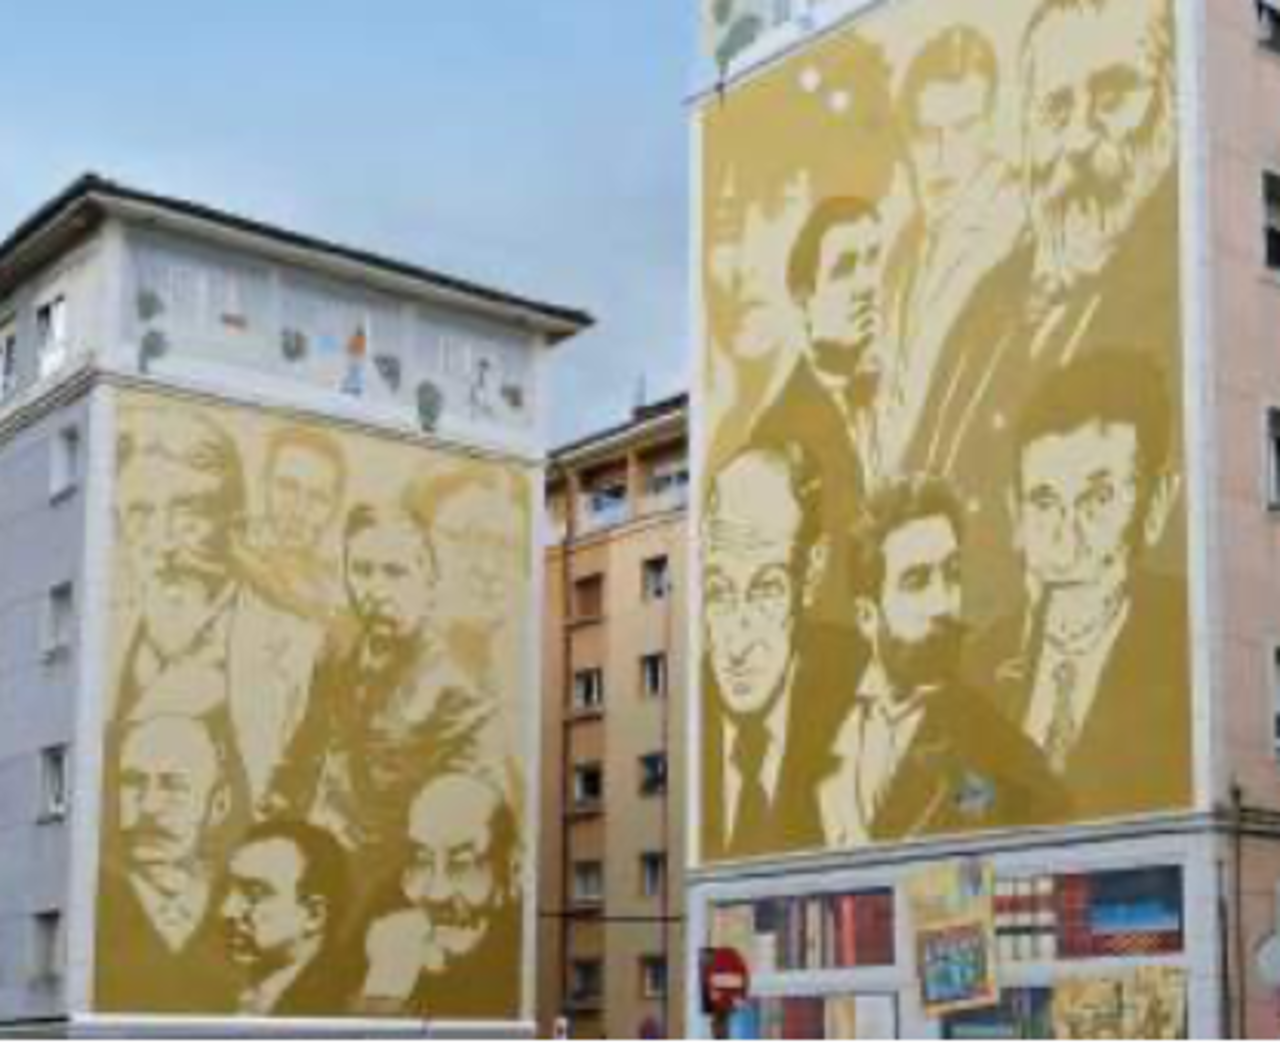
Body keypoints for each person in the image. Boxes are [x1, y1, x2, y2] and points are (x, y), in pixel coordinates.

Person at [902, 0, 1180, 624]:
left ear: (1169, 105)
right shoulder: (988, 305)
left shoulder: (1177, 300)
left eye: (1113, 98)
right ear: (1027, 136)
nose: (1079, 140)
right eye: (1057, 110)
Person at [967, 351, 1190, 819]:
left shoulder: (1188, 647)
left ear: (1156, 506)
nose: (1066, 542)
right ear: (1015, 515)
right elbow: (963, 810)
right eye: (1044, 502)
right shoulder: (977, 669)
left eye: (1098, 499)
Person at [819, 475, 1067, 847]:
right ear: (867, 615)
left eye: (952, 575)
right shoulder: (813, 721)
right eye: (917, 581)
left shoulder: (1002, 754)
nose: (943, 603)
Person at [267, 499, 502, 864]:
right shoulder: (337, 656)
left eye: (395, 572)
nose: (375, 589)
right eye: (362, 570)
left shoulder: (456, 690)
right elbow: (297, 764)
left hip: (387, 883)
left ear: (429, 582)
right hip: (317, 867)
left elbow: (465, 821)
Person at [111, 406, 323, 807]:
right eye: (140, 512)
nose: (164, 537)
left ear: (234, 524)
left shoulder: (297, 648)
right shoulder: (104, 637)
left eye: (187, 510)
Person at [701, 442, 856, 861]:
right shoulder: (691, 715)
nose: (736, 644)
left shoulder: (860, 691)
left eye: (767, 589)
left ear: (813, 572)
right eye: (718, 593)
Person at [879, 25, 1022, 473]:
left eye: (962, 130)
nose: (943, 157)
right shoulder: (903, 250)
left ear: (990, 127)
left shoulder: (1019, 226)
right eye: (927, 134)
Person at [96, 714, 237, 1013]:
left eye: (174, 786)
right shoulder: (94, 903)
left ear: (218, 804)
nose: (148, 806)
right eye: (133, 782)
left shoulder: (241, 910)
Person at [354, 773, 522, 1021]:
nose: (436, 893)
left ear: (510, 869)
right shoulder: (376, 939)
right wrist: (386, 984)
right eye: (422, 860)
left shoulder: (524, 964)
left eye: (462, 862)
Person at [220, 820, 354, 1016]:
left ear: (314, 915)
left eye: (255, 893)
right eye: (226, 890)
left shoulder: (339, 1009)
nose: (226, 911)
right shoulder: (226, 992)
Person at [238, 425, 348, 623]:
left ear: (334, 509)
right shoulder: (227, 558)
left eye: (318, 497)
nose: (299, 510)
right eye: (287, 487)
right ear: (263, 484)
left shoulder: (338, 592)